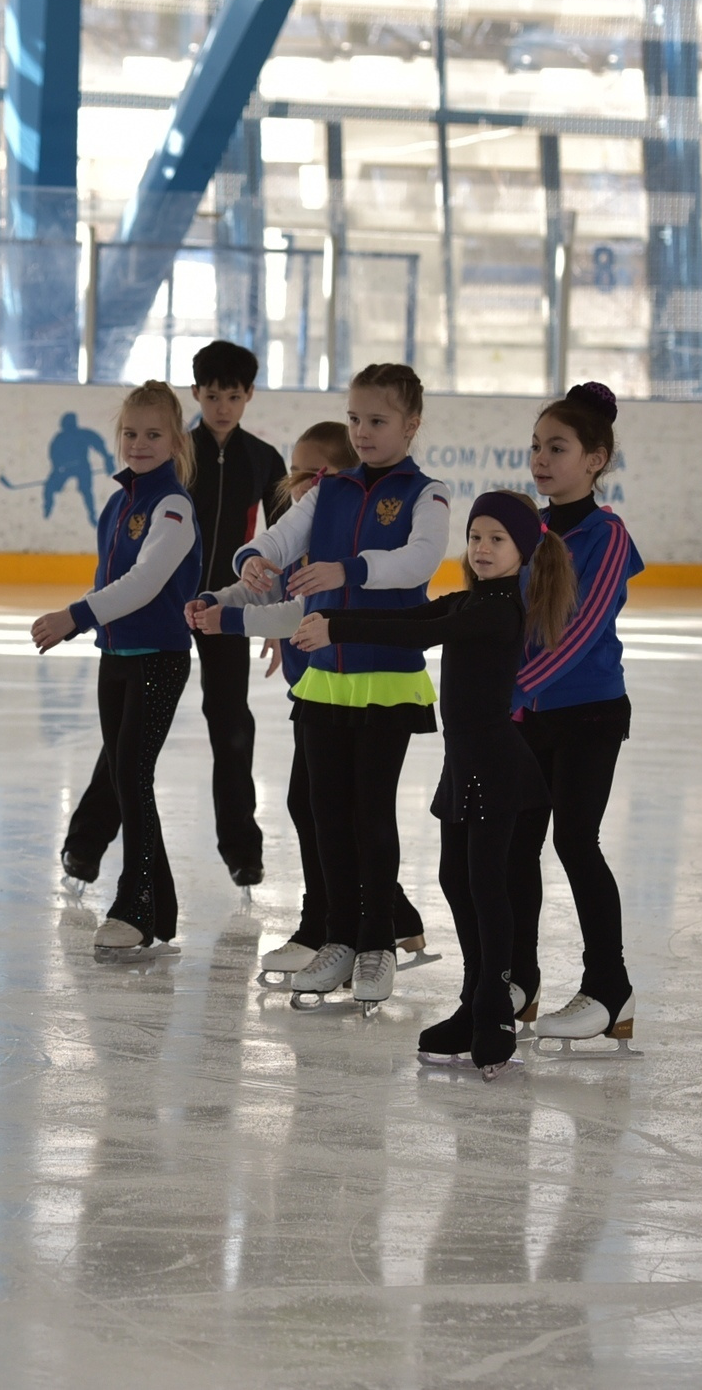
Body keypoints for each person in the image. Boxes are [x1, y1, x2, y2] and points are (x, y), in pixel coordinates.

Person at [299, 490, 577, 1073]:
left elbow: (418, 638)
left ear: (524, 551)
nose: (482, 548)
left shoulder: (499, 610)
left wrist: (337, 628)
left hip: (496, 765)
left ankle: (493, 1010)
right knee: (457, 879)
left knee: (486, 886)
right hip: (467, 763)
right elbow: (408, 618)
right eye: (475, 537)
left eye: (497, 539)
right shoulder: (472, 600)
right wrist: (333, 622)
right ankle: (473, 1001)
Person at [235, 363, 450, 1009]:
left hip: (386, 675)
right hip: (325, 679)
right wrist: (253, 560)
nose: (362, 431)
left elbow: (420, 560)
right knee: (325, 809)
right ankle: (336, 939)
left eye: (377, 420)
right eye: (355, 418)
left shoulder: (427, 494)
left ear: (411, 425)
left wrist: (347, 569)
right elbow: (276, 539)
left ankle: (378, 941)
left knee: (370, 811)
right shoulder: (327, 492)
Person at [187, 420, 427, 987]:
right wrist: (214, 598)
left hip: (353, 694)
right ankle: (384, 917)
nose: (297, 485)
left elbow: (294, 613)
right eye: (294, 472)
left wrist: (231, 621)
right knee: (322, 807)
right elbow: (259, 588)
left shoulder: (340, 546)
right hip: (315, 695)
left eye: (313, 474)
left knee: (327, 807)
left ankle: (328, 924)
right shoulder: (295, 539)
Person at [32, 382, 202, 955]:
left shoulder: (173, 506)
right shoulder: (118, 502)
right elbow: (113, 580)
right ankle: (156, 904)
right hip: (116, 659)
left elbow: (145, 581)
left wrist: (75, 616)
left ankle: (137, 906)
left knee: (132, 777)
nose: (139, 443)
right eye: (130, 433)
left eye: (153, 434)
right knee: (126, 777)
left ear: (176, 441)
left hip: (159, 660)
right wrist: (92, 624)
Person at [509, 382, 644, 1050]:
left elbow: (582, 631)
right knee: (515, 844)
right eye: (536, 446)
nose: (541, 458)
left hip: (588, 714)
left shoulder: (607, 535)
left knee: (575, 841)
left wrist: (512, 691)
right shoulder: (524, 529)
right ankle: (519, 978)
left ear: (595, 459)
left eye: (557, 448)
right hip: (527, 716)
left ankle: (610, 987)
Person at [185, 339, 286, 887]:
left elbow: (285, 541)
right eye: (212, 395)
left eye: (233, 396)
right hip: (169, 605)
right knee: (137, 723)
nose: (222, 407)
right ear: (195, 393)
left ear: (249, 395)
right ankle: (85, 841)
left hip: (226, 608)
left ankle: (243, 850)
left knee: (230, 723)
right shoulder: (176, 451)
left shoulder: (263, 459)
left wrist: (277, 616)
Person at [43, 411, 117, 522]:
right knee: (50, 487)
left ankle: (92, 514)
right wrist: (57, 467)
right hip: (66, 468)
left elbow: (99, 445)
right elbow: (53, 454)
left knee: (86, 491)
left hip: (81, 468)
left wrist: (108, 460)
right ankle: (47, 508)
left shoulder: (78, 435)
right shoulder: (62, 437)